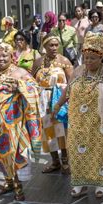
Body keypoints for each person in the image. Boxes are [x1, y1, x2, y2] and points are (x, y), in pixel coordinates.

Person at [54, 32, 103, 198]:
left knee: (99, 149)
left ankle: (100, 183)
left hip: (100, 120)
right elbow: (67, 91)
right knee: (76, 150)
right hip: (77, 119)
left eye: (93, 58)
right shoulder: (77, 71)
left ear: (101, 58)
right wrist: (57, 105)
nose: (89, 61)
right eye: (86, 58)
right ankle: (80, 183)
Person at [0, 43, 42, 201]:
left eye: (5, 55)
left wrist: (20, 86)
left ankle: (17, 184)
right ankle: (8, 181)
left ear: (12, 57)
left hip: (13, 123)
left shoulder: (20, 73)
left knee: (12, 153)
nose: (1, 58)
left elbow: (36, 89)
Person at [32, 34, 73, 174]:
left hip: (60, 101)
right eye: (51, 45)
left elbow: (72, 82)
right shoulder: (38, 62)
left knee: (61, 130)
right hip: (43, 101)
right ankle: (55, 161)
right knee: (48, 132)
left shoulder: (65, 60)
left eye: (56, 45)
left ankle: (66, 161)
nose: (54, 48)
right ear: (44, 46)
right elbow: (31, 81)